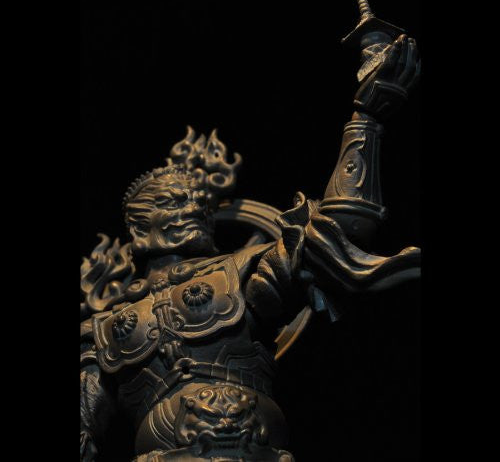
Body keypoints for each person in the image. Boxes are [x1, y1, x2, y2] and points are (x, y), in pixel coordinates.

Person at [80, 32, 420, 462]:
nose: (193, 208)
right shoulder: (102, 328)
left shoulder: (240, 273)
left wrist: (365, 118)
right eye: (174, 201)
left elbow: (339, 232)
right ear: (137, 223)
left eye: (199, 203)